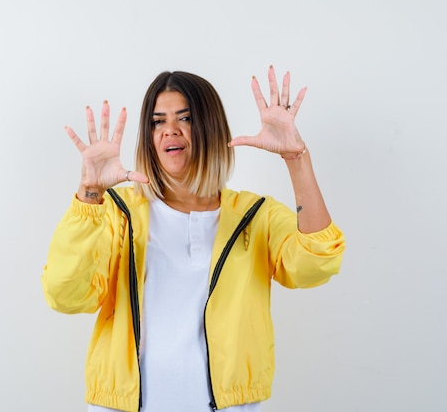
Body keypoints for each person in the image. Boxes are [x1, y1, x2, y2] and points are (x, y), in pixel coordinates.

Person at [41, 66, 345, 412]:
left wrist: (296, 159)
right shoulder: (115, 212)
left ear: (209, 127)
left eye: (184, 118)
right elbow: (64, 295)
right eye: (157, 121)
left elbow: (317, 264)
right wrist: (90, 194)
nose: (170, 130)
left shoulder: (255, 215)